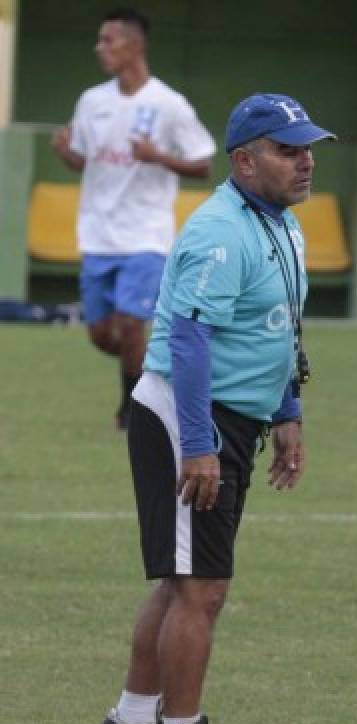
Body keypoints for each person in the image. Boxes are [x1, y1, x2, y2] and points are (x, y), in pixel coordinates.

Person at [87, 93, 335, 724]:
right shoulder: (220, 230)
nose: (306, 161)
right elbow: (191, 342)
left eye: (308, 148)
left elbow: (278, 327)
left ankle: (131, 723)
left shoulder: (281, 225)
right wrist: (198, 444)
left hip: (231, 415)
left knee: (182, 581)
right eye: (289, 150)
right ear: (244, 161)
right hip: (188, 415)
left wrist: (286, 412)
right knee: (203, 588)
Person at [50, 8, 216, 431]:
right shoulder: (92, 101)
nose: (100, 48)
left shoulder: (168, 104)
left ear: (135, 45)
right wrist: (65, 152)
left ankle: (131, 411)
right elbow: (82, 161)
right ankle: (157, 370)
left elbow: (203, 165)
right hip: (97, 234)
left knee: (130, 325)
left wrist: (156, 156)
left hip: (146, 235)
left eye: (109, 40)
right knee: (103, 334)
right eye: (100, 41)